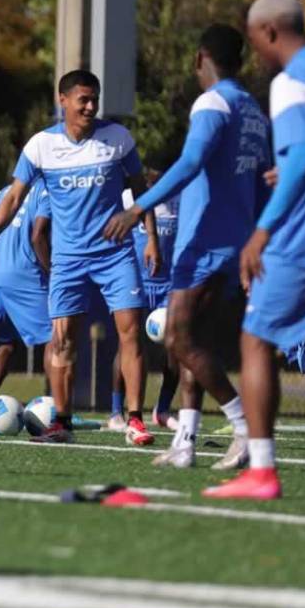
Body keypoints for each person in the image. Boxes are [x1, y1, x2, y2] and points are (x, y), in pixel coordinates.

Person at [105, 25, 269, 470]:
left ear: (200, 59)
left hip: (205, 242)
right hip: (234, 242)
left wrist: (138, 207)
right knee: (196, 344)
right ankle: (185, 442)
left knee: (177, 338)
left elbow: (191, 161)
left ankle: (244, 427)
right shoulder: (253, 111)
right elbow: (264, 181)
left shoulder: (213, 102)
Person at [0, 70, 158, 446]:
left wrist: (150, 237)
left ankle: (135, 420)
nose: (90, 107)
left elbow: (141, 190)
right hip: (69, 259)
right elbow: (14, 197)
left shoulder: (117, 138)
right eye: (83, 100)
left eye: (95, 100)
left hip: (115, 254)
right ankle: (61, 422)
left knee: (131, 333)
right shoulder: (41, 146)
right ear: (63, 101)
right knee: (61, 341)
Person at [204, 0, 305, 499]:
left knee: (256, 338)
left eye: (254, 39)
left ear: (269, 32)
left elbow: (302, 158)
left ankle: (260, 471)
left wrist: (262, 232)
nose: (255, 53)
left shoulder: (293, 81)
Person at [0, 184, 52, 428]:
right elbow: (38, 237)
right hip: (26, 276)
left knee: (7, 344)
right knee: (57, 340)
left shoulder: (5, 192)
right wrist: (55, 276)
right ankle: (59, 410)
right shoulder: (49, 190)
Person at [105, 177, 179, 433]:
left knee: (178, 347)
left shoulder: (179, 197)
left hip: (169, 286)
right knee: (128, 343)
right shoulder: (128, 198)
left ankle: (162, 409)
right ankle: (116, 411)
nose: (154, 176)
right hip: (136, 281)